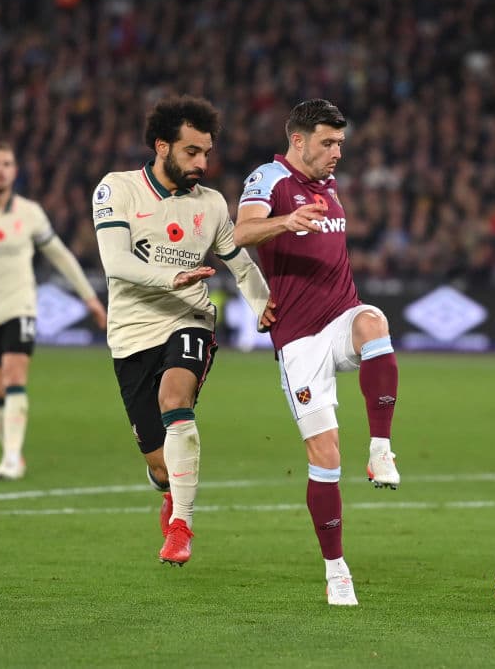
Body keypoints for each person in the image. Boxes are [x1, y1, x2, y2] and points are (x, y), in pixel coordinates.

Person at [92, 95, 274, 566]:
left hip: (189, 318)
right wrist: (170, 276)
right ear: (162, 146)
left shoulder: (210, 204)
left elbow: (240, 265)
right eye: (192, 151)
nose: (202, 163)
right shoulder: (116, 189)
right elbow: (116, 263)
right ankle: (168, 489)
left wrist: (265, 308)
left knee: (175, 398)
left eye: (207, 153)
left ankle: (181, 527)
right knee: (160, 466)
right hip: (132, 332)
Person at [234, 98, 401, 606]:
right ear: (298, 139)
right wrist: (287, 222)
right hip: (299, 339)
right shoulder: (269, 178)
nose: (337, 153)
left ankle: (380, 450)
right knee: (325, 456)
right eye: (328, 143)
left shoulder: (328, 184)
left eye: (340, 143)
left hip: (340, 317)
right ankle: (336, 569)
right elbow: (240, 232)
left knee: (374, 324)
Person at [0, 141, 107, 481]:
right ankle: (12, 453)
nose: (0, 170)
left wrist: (89, 298)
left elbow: (60, 255)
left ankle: (12, 458)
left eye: (6, 164)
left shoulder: (30, 212)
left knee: (14, 376)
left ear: (15, 171)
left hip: (21, 306)